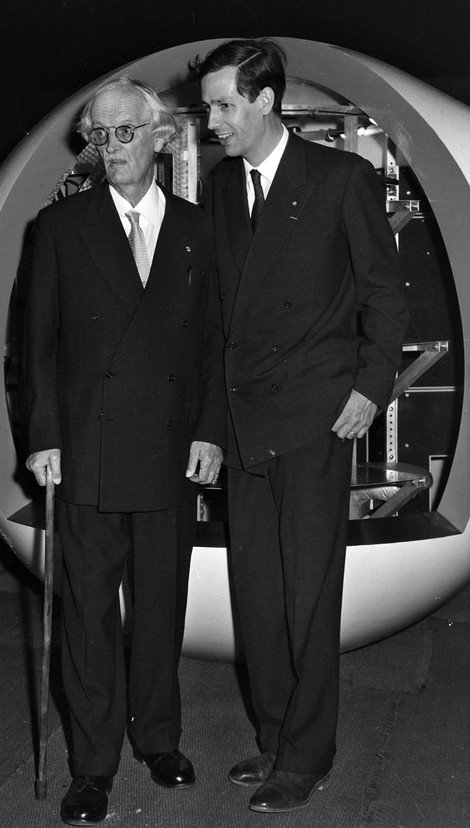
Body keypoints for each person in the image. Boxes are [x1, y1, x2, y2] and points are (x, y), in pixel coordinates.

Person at [193, 39, 408, 814]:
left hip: (318, 417)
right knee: (257, 594)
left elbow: (386, 296)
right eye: (211, 104)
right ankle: (276, 735)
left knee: (309, 593)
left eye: (223, 104)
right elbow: (219, 317)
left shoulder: (340, 179)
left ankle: (308, 754)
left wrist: (371, 388)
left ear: (265, 101)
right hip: (247, 419)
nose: (211, 119)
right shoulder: (222, 189)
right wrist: (210, 427)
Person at [21, 76, 225, 826]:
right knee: (87, 617)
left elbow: (212, 346)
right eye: (99, 137)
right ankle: (94, 765)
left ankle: (159, 740)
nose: (112, 150)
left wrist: (209, 430)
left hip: (172, 451)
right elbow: (36, 346)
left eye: (126, 133)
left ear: (162, 137)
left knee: (161, 607)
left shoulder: (201, 230)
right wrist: (42, 437)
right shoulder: (61, 228)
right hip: (85, 455)